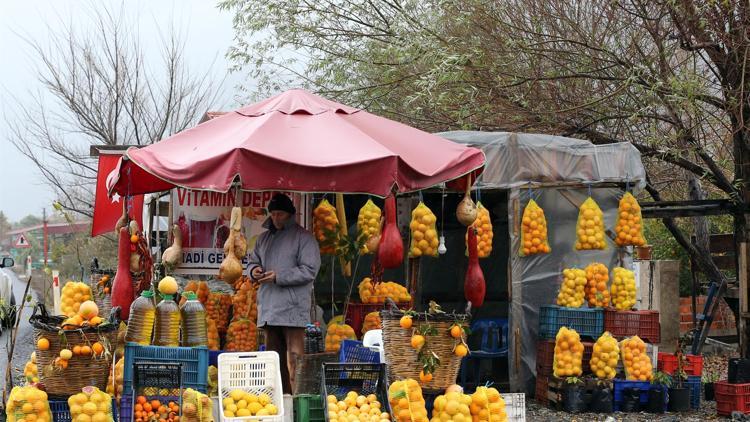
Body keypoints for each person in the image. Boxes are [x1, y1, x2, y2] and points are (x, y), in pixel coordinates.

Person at [247, 193, 321, 394]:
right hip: (269, 308)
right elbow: (252, 261)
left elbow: (309, 270)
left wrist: (278, 276)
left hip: (293, 309)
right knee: (273, 359)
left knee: (294, 358)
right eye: (273, 214)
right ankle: (280, 400)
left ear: (290, 214)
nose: (276, 218)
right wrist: (253, 271)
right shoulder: (263, 239)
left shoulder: (304, 238)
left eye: (280, 214)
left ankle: (298, 400)